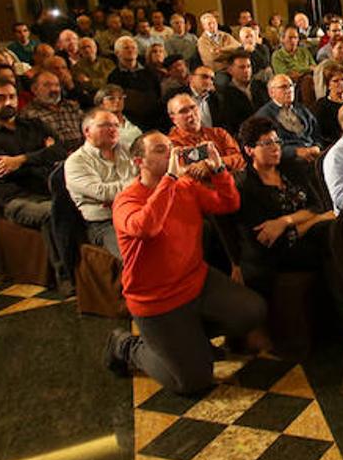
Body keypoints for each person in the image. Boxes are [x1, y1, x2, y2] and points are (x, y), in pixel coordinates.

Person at [104, 132, 267, 395]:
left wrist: (218, 169)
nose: (170, 154)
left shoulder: (185, 187)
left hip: (196, 281)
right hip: (157, 301)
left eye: (171, 148)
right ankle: (128, 347)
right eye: (160, 150)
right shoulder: (127, 200)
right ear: (138, 162)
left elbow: (228, 203)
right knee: (191, 382)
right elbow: (147, 227)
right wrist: (169, 179)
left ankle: (190, 339)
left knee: (252, 311)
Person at [234, 117, 336, 332]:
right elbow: (268, 239)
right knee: (330, 233)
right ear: (249, 150)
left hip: (306, 236)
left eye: (277, 142)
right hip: (274, 254)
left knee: (332, 231)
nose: (275, 148)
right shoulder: (246, 186)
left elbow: (317, 206)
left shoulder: (292, 168)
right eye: (267, 143)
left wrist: (285, 220)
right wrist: (313, 219)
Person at [0, 78, 66, 260]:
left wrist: (21, 159)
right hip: (16, 199)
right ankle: (65, 277)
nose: (8, 102)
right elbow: (0, 172)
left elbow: (61, 151)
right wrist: (43, 154)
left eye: (12, 97)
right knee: (54, 213)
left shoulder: (34, 125)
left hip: (49, 189)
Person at [64, 108, 136, 257]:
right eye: (105, 125)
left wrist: (119, 196)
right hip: (105, 223)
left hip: (135, 212)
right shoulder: (76, 161)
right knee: (133, 256)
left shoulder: (128, 150)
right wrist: (138, 184)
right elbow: (103, 192)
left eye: (116, 125)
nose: (113, 129)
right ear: (87, 131)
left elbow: (149, 176)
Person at [167, 92, 245, 171]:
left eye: (193, 107)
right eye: (183, 111)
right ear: (173, 119)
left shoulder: (219, 133)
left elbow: (239, 159)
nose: (191, 113)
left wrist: (212, 163)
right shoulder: (172, 144)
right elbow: (182, 171)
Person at [253, 74, 321, 163]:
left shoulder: (301, 109)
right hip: (289, 159)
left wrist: (317, 146)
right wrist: (295, 151)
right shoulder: (264, 116)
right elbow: (268, 146)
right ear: (271, 92)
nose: (289, 90)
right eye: (283, 87)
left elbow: (317, 133)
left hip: (313, 151)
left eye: (291, 86)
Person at [20, 69, 85, 151]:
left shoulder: (72, 106)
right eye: (47, 85)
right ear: (34, 89)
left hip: (82, 153)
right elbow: (33, 148)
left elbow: (88, 130)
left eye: (57, 85)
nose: (54, 89)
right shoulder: (29, 114)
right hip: (53, 157)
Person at [213, 52, 269, 134]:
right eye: (241, 67)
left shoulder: (261, 86)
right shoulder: (224, 95)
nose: (246, 71)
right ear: (230, 70)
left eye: (249, 66)